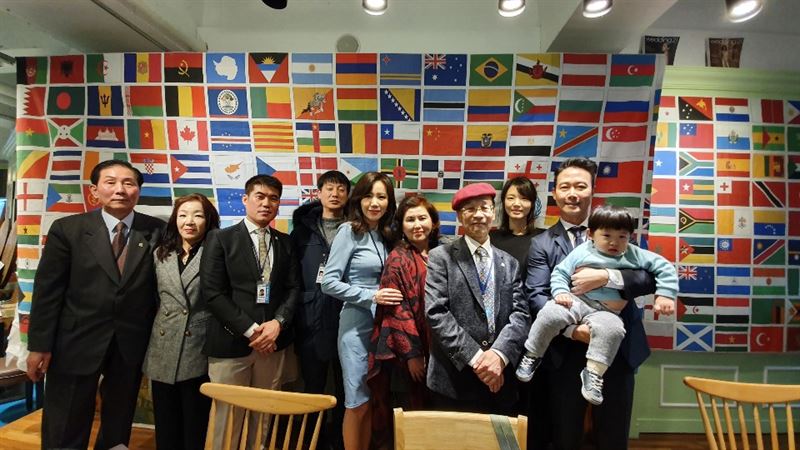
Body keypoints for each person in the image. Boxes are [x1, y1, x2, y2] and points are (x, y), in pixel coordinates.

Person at [26, 160, 165, 449]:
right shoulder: (68, 229)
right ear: (94, 191)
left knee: (119, 421)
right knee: (65, 421)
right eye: (110, 182)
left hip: (130, 343)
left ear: (138, 190)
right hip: (75, 341)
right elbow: (48, 292)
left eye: (128, 183)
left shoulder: (158, 231)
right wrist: (39, 345)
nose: (120, 189)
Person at [525, 157, 657, 450]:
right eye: (565, 187)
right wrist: (574, 331)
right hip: (565, 353)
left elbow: (648, 278)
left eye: (580, 186)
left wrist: (606, 276)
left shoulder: (616, 229)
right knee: (565, 437)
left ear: (592, 191)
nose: (572, 193)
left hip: (617, 351)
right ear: (555, 193)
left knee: (613, 436)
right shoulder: (542, 243)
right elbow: (536, 295)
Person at [516, 205, 676, 406]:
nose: (614, 242)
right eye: (607, 236)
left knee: (614, 329)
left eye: (622, 237)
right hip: (576, 302)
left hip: (607, 313)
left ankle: (593, 373)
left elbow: (663, 268)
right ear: (591, 234)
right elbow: (559, 274)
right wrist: (561, 292)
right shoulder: (577, 249)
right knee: (550, 313)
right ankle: (532, 354)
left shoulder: (632, 252)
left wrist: (665, 295)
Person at [200, 174, 301, 449]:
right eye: (260, 196)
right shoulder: (220, 238)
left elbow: (293, 288)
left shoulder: (285, 242)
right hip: (231, 343)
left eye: (273, 198)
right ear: (245, 199)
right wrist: (252, 330)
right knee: (226, 420)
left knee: (263, 417)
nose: (266, 203)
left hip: (273, 345)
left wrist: (278, 323)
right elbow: (212, 293)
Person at [424, 183, 530, 415]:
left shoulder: (509, 263)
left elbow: (521, 315)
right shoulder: (441, 257)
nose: (478, 215)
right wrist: (478, 359)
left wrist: (499, 355)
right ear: (459, 216)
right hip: (453, 379)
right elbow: (436, 313)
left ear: (493, 212)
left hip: (500, 378)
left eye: (484, 207)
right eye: (470, 209)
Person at [321, 172, 398, 450]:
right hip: (356, 325)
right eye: (368, 196)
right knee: (357, 401)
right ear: (358, 200)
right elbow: (328, 283)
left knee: (373, 400)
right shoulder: (349, 231)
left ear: (389, 202)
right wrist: (371, 296)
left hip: (382, 327)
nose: (374, 203)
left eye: (381, 197)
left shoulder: (386, 234)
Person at [143, 193, 220, 450]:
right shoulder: (160, 253)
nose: (189, 221)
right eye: (183, 215)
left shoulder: (216, 253)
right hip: (162, 346)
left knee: (195, 425)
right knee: (165, 424)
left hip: (198, 346)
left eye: (198, 215)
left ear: (208, 220)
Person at [368, 195, 440, 449]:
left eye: (422, 218)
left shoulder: (443, 252)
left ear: (433, 221)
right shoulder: (398, 258)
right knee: (410, 413)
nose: (417, 225)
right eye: (410, 220)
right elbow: (396, 310)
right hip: (408, 354)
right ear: (401, 225)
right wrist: (413, 354)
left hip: (440, 348)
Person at [290, 170, 350, 450]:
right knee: (312, 387)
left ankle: (340, 440)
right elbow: (291, 277)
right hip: (310, 318)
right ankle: (310, 442)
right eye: (329, 188)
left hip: (347, 317)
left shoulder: (357, 227)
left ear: (348, 195)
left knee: (346, 387)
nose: (334, 193)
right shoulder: (302, 230)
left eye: (341, 189)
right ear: (318, 192)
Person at [490, 176, 543, 271]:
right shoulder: (490, 239)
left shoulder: (544, 238)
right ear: (503, 201)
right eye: (511, 198)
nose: (517, 204)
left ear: (532, 204)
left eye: (524, 198)